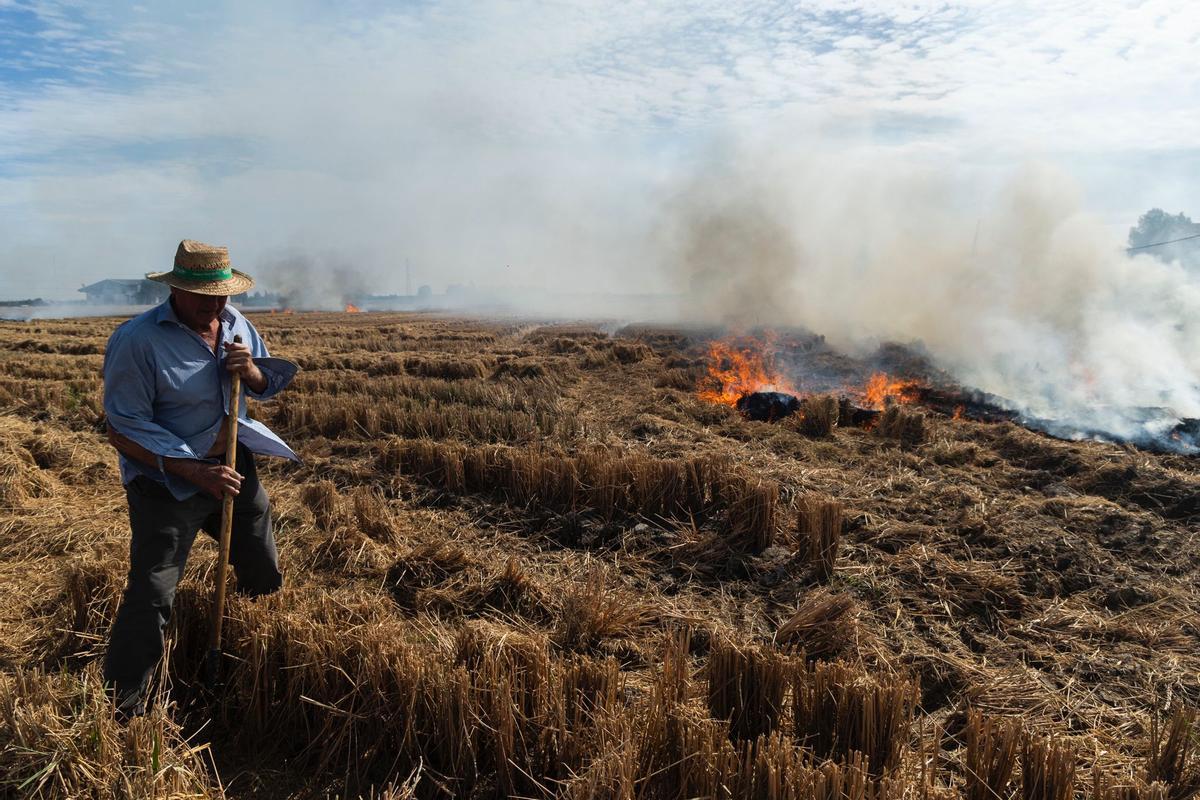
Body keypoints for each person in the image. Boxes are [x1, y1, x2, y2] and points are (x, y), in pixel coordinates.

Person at [101, 239, 299, 717]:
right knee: (153, 590)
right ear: (176, 289)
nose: (214, 306)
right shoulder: (138, 341)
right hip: (167, 482)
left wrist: (251, 370)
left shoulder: (236, 324)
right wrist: (194, 471)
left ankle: (260, 663)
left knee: (261, 566)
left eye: (222, 295)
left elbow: (266, 383)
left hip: (234, 466)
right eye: (203, 296)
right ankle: (125, 704)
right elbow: (123, 428)